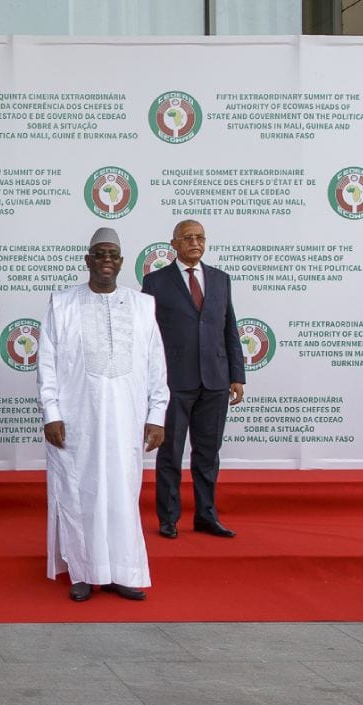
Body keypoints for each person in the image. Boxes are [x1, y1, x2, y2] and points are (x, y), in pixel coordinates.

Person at [39, 228, 169, 602]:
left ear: (122, 262)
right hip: (77, 418)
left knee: (122, 493)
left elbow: (156, 364)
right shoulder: (62, 304)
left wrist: (157, 414)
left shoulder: (142, 305)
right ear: (88, 260)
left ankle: (120, 572)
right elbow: (46, 363)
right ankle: (84, 572)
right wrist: (51, 412)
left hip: (128, 419)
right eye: (99, 254)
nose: (106, 260)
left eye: (112, 254)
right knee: (79, 493)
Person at [141, 219, 244, 539]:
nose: (195, 243)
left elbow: (229, 328)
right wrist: (149, 381)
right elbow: (146, 337)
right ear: (174, 244)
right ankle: (169, 518)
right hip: (173, 382)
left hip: (215, 380)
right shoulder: (155, 282)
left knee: (208, 454)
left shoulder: (220, 279)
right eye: (187, 238)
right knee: (170, 453)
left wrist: (237, 375)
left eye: (200, 237)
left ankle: (206, 515)